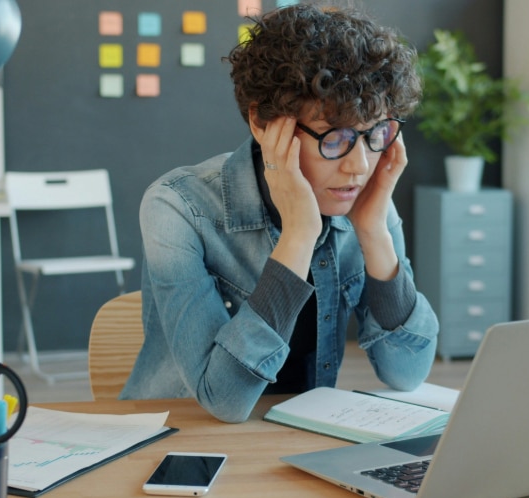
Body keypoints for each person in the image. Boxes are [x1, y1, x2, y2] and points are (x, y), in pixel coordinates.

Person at [120, 3, 439, 423]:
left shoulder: (362, 201)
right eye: (335, 138)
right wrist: (298, 237)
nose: (359, 165)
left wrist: (375, 232)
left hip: (295, 436)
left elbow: (407, 372)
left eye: (374, 133)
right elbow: (224, 401)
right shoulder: (178, 207)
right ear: (263, 122)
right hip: (180, 439)